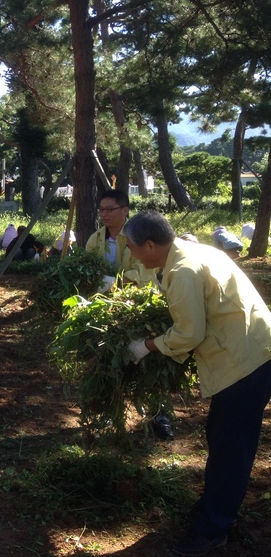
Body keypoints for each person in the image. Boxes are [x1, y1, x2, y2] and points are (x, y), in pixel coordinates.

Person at [124, 210, 271, 556]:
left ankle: (214, 527)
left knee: (230, 446)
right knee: (221, 437)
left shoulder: (183, 270)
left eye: (131, 248)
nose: (130, 254)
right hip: (252, 347)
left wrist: (145, 346)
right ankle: (214, 506)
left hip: (244, 361)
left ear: (149, 244)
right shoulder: (193, 251)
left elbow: (189, 333)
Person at [86, 189, 157, 292]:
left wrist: (114, 282)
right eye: (101, 210)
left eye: (109, 210)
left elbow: (143, 271)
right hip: (102, 296)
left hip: (137, 295)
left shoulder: (139, 237)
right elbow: (88, 267)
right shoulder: (95, 238)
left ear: (125, 210)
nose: (104, 214)